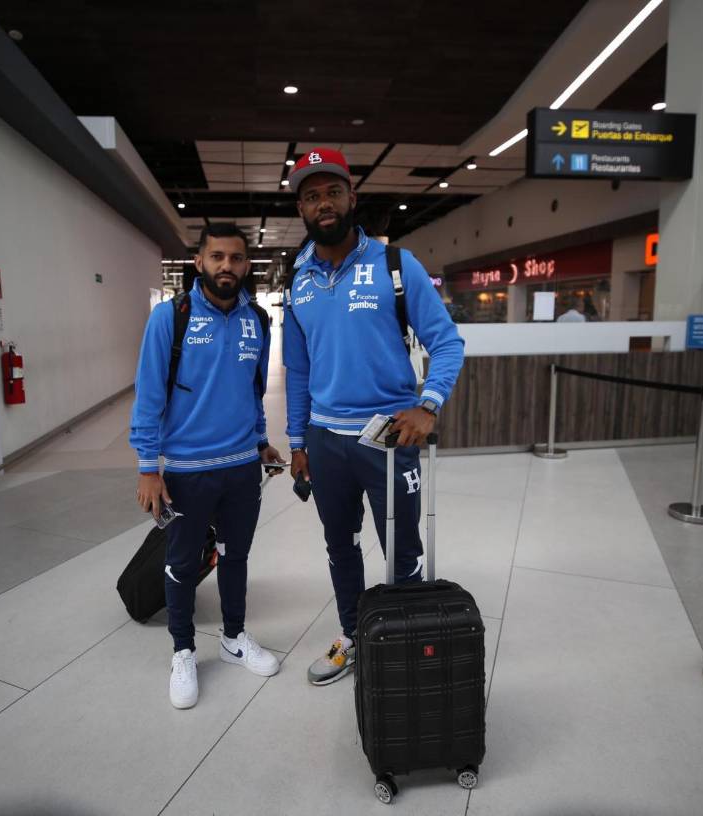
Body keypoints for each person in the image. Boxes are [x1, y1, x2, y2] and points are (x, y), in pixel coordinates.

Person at [282, 148, 465, 686]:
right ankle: (354, 634)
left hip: (386, 436)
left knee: (401, 546)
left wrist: (428, 404)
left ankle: (406, 642)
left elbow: (447, 343)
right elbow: (297, 370)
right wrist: (297, 442)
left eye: (333, 191)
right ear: (301, 208)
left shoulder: (394, 265)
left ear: (351, 198)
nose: (324, 203)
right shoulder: (299, 281)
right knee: (341, 544)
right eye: (312, 195)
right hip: (324, 439)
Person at [129, 222, 285, 709]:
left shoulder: (257, 320)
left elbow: (252, 391)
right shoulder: (169, 318)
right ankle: (182, 651)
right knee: (179, 564)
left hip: (241, 468)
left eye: (236, 258)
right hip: (184, 472)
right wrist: (146, 467)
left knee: (235, 555)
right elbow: (149, 395)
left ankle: (235, 638)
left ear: (246, 265)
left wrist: (261, 442)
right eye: (216, 257)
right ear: (199, 262)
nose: (226, 267)